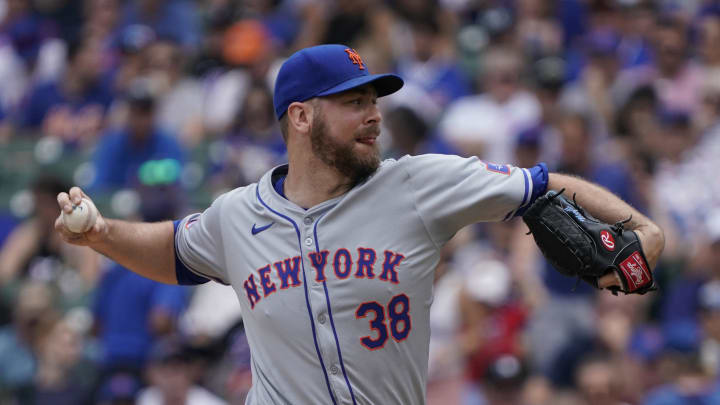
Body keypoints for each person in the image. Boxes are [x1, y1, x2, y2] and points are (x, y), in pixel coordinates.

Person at [55, 44, 665, 404]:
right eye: (353, 103)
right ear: (300, 116)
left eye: (374, 101)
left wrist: (644, 229)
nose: (373, 115)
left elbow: (541, 183)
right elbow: (173, 251)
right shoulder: (237, 215)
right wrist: (102, 235)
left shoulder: (418, 184)